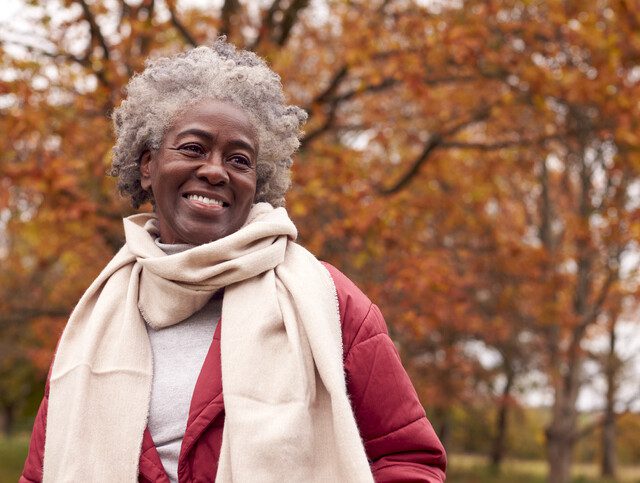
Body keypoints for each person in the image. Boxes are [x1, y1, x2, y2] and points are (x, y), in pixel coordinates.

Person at [21, 38, 446, 482]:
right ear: (148, 166)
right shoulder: (92, 320)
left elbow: (410, 458)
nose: (215, 170)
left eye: (238, 159)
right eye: (192, 148)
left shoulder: (329, 301)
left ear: (256, 183)